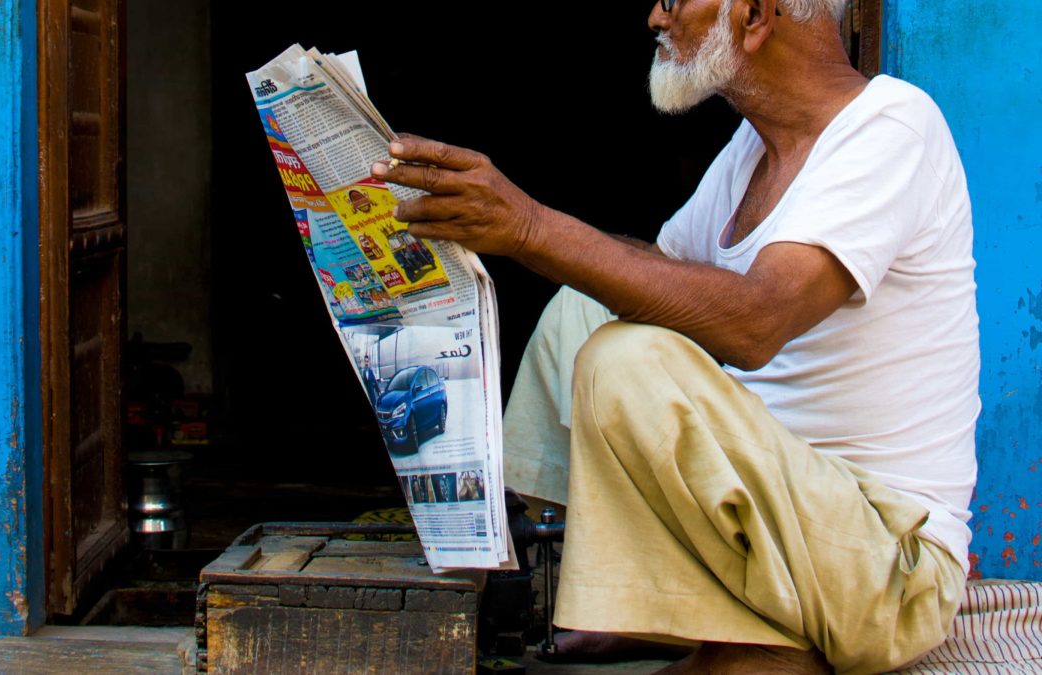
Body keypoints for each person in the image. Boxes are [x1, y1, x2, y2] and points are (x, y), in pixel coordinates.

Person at [370, 0, 979, 672]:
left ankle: (747, 642)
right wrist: (510, 233)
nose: (656, 17)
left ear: (754, 15)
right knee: (585, 312)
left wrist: (531, 226)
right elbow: (660, 277)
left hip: (885, 565)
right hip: (784, 533)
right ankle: (581, 583)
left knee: (628, 357)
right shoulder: (754, 147)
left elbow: (755, 322)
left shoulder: (892, 125)